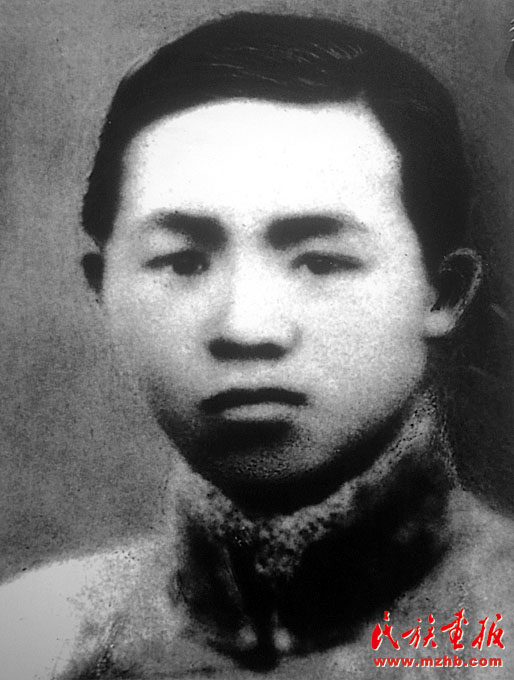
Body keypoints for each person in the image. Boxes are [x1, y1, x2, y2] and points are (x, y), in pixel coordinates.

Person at [1, 12, 513, 679]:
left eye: (322, 261)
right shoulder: (31, 638)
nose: (245, 329)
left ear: (441, 293)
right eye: (183, 261)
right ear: (103, 290)